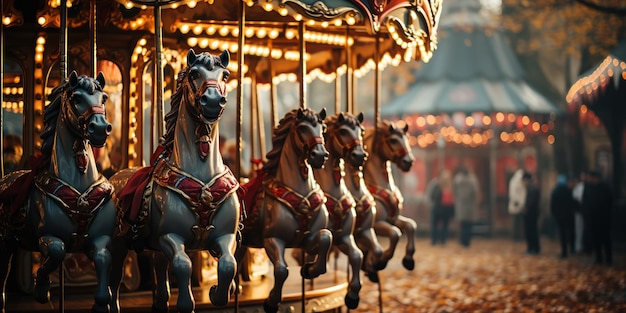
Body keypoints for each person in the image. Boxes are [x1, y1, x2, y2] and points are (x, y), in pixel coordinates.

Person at [582, 169, 613, 265]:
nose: (592, 179)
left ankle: (608, 258)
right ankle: (598, 257)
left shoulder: (604, 188)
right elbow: (585, 202)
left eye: (594, 178)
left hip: (603, 218)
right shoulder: (588, 188)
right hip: (592, 219)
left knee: (605, 239)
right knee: (596, 239)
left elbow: (608, 202)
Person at [550, 174, 576, 258]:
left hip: (559, 216)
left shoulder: (555, 191)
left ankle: (564, 251)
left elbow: (552, 205)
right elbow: (572, 203)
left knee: (562, 234)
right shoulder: (568, 191)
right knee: (571, 232)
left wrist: (554, 214)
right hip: (568, 215)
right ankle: (572, 249)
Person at [452, 167, 479, 247]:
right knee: (469, 225)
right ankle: (467, 241)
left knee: (462, 224)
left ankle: (462, 240)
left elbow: (454, 190)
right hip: (470, 205)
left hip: (460, 204)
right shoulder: (473, 180)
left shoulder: (457, 179)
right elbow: (475, 191)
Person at [426, 169, 454, 245]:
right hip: (445, 208)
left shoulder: (435, 184)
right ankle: (442, 240)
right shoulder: (449, 184)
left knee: (435, 225)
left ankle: (434, 240)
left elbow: (431, 195)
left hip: (437, 207)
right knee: (444, 225)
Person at [522, 172, 541, 255]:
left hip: (531, 214)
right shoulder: (532, 188)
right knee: (532, 231)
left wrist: (526, 208)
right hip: (532, 213)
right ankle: (533, 248)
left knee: (531, 231)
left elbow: (531, 202)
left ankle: (533, 248)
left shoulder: (532, 189)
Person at [508, 169, 527, 241]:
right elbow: (513, 195)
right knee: (515, 224)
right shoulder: (514, 182)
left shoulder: (520, 183)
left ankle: (519, 237)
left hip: (521, 206)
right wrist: (519, 203)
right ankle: (515, 238)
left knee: (520, 224)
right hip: (516, 206)